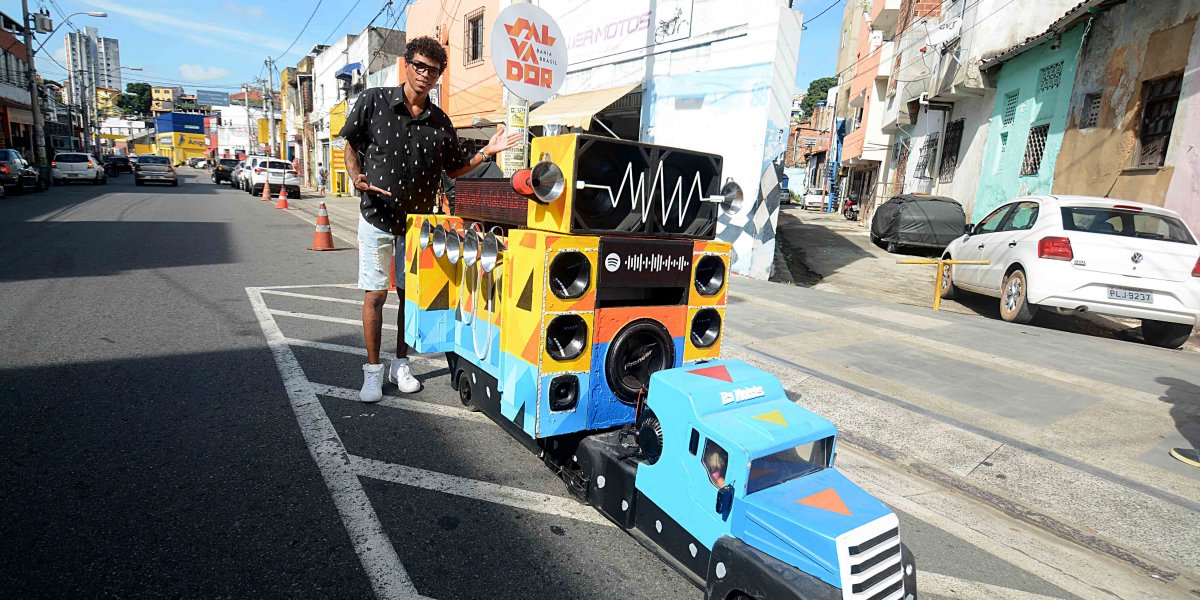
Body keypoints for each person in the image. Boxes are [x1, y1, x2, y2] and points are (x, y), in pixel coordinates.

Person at [340, 36, 521, 403]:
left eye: (433, 70)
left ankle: (400, 364)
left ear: (439, 76)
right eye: (419, 66)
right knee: (375, 295)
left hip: (417, 225)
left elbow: (455, 168)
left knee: (411, 298)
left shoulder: (440, 121)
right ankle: (373, 372)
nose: (425, 75)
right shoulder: (373, 101)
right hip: (375, 217)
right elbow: (350, 143)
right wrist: (355, 175)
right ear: (407, 64)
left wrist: (487, 151)